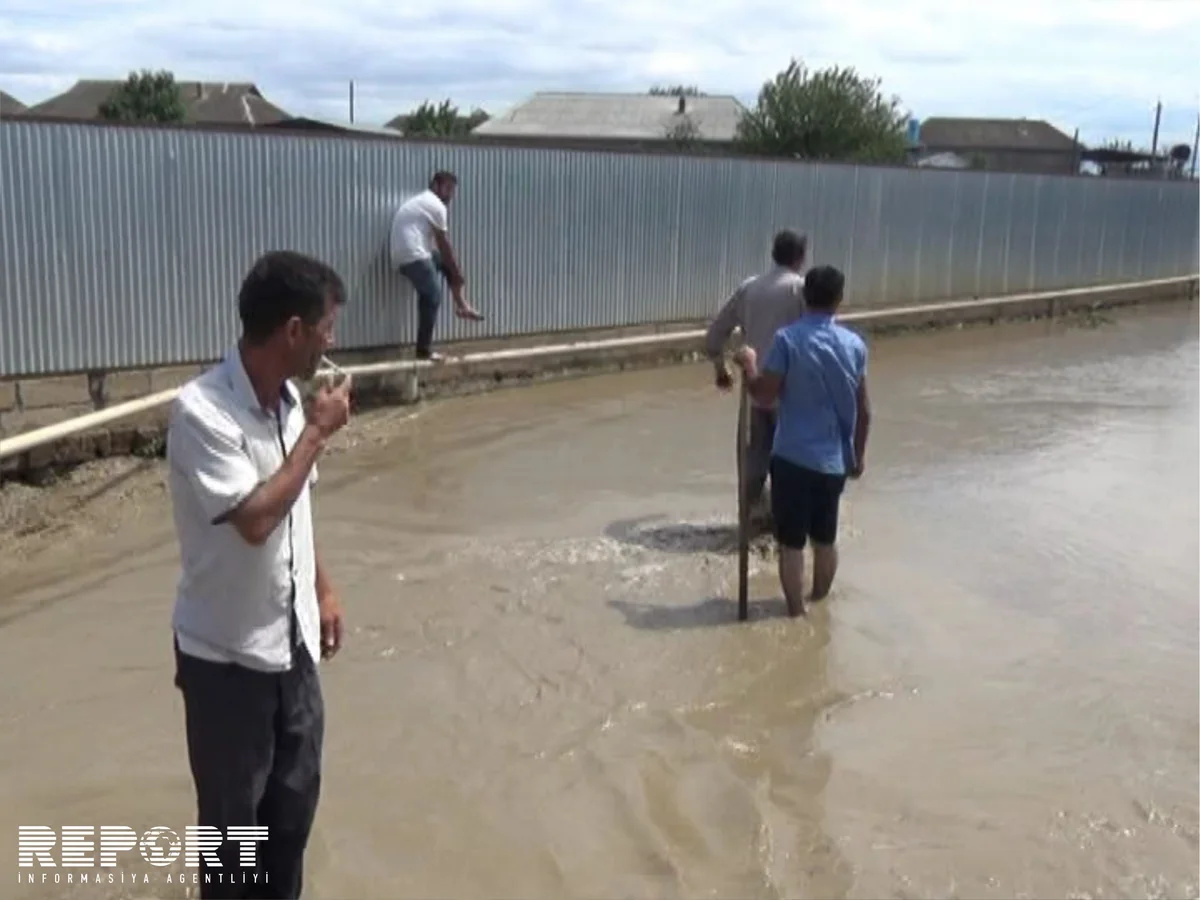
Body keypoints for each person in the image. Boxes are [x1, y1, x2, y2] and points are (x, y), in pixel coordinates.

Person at [165, 250, 354, 899]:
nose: (332, 342)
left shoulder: (289, 403)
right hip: (227, 661)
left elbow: (297, 507)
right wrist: (318, 436)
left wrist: (323, 588)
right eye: (327, 327)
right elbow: (255, 518)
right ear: (294, 330)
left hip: (292, 646)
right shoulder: (202, 412)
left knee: (292, 814)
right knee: (232, 834)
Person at [732, 264, 871, 618]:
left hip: (792, 458)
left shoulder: (788, 340)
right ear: (840, 300)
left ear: (805, 296)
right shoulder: (855, 346)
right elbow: (865, 410)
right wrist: (857, 456)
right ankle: (820, 603)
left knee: (791, 543)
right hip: (833, 461)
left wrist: (749, 365)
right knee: (825, 538)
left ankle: (795, 612)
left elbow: (764, 396)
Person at [705, 229, 808, 524]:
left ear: (773, 254)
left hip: (754, 391)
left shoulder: (749, 288)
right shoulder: (800, 290)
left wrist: (721, 367)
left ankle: (748, 530)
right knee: (790, 468)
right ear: (800, 257)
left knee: (753, 468)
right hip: (790, 395)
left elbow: (714, 337)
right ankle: (784, 536)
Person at [388, 170, 484, 361]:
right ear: (435, 186)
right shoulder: (435, 205)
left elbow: (438, 250)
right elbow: (444, 244)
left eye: (452, 190)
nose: (450, 195)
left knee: (446, 265)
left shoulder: (424, 202)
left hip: (409, 252)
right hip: (411, 254)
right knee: (432, 294)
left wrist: (454, 271)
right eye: (447, 189)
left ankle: (462, 306)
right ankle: (423, 351)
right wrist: (457, 271)